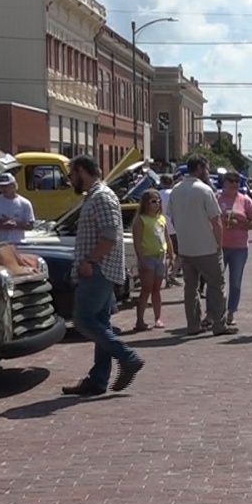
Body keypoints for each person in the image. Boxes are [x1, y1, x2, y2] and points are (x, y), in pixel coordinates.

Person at [62, 155, 144, 397]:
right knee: (101, 323)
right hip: (98, 268)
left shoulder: (102, 197)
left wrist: (90, 260)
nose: (71, 180)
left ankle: (127, 357)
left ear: (81, 171)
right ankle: (98, 379)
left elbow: (110, 235)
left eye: (71, 175)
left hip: (99, 270)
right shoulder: (96, 196)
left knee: (84, 320)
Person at [171, 157, 237, 337]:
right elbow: (216, 220)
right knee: (216, 285)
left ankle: (193, 324)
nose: (207, 171)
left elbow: (173, 218)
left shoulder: (176, 190)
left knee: (190, 287)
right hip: (206, 246)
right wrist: (219, 243)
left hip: (186, 247)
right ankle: (219, 324)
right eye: (206, 168)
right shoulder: (204, 190)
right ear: (199, 168)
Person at [218, 173, 252, 327]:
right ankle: (212, 313)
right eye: (231, 181)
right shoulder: (217, 198)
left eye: (237, 181)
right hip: (220, 245)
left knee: (235, 282)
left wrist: (240, 224)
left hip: (239, 247)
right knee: (215, 281)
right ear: (225, 182)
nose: (234, 184)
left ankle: (231, 313)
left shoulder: (245, 200)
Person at [130, 189, 169, 332]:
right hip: (148, 257)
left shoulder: (161, 218)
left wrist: (171, 253)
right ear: (146, 203)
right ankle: (139, 320)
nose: (157, 204)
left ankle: (157, 318)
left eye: (159, 201)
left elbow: (167, 237)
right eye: (153, 201)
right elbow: (137, 242)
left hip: (161, 256)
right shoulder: (141, 220)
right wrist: (142, 260)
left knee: (156, 290)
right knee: (146, 289)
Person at [0, 173, 34, 243]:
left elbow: (30, 226)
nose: (3, 189)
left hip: (18, 243)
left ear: (13, 185)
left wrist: (15, 224)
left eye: (6, 186)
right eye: (1, 186)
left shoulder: (25, 203)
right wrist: (2, 225)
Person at [159, 172, 181, 287]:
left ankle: (165, 275)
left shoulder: (157, 195)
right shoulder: (174, 194)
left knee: (164, 253)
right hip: (174, 228)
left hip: (159, 227)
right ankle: (172, 275)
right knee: (180, 253)